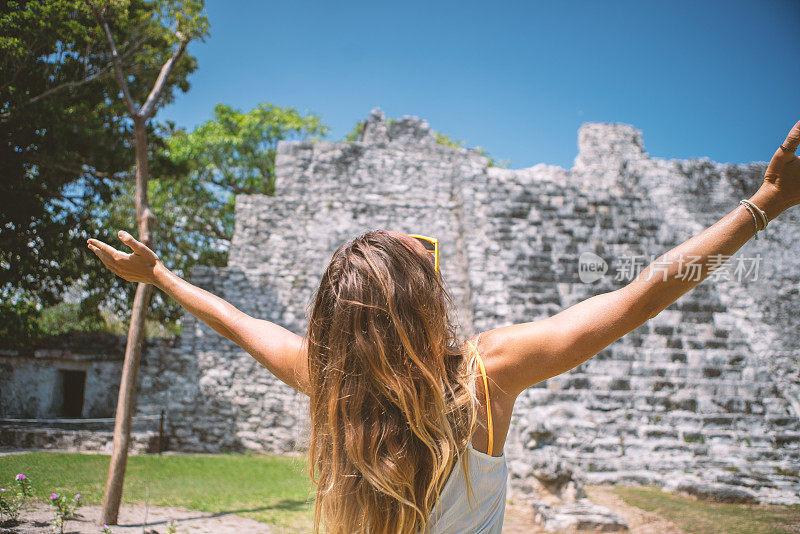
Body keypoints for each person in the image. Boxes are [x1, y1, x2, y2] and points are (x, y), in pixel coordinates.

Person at [87, 120, 800, 533]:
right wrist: (764, 203)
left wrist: (161, 278)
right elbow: (640, 295)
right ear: (421, 301)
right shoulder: (483, 377)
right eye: (426, 260)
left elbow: (240, 323)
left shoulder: (331, 383)